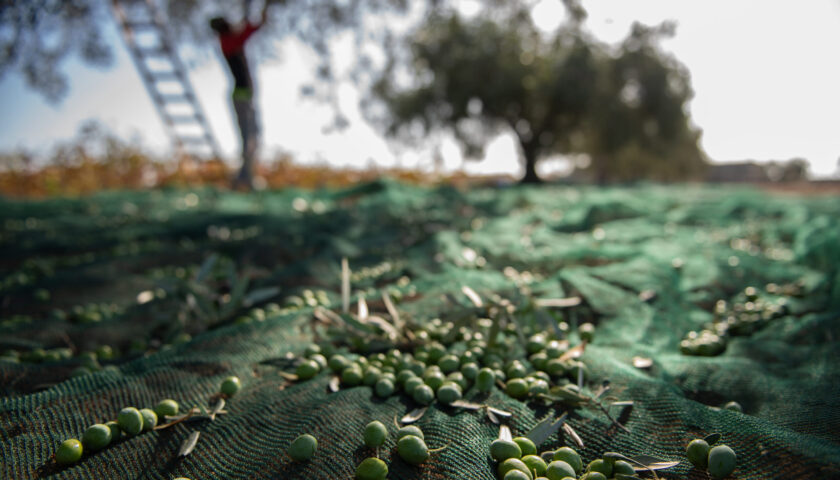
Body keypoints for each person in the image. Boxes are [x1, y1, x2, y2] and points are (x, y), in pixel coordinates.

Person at [209, 4, 269, 190]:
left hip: (243, 96)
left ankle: (245, 178)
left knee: (253, 137)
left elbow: (248, 28)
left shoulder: (227, 40)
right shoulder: (230, 41)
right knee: (249, 138)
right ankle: (243, 180)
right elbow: (251, 28)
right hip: (241, 97)